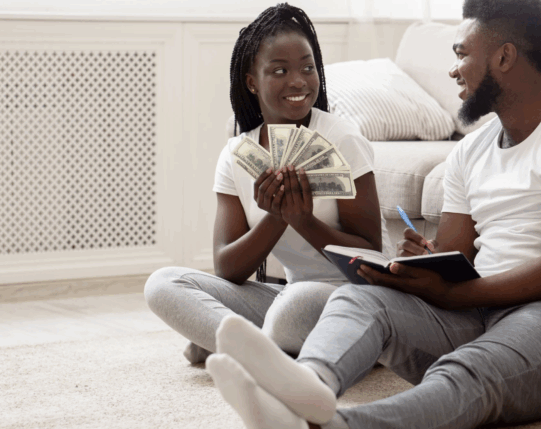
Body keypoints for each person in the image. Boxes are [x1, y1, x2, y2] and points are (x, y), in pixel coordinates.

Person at [204, 0, 541, 428]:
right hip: (480, 313)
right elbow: (455, 259)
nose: (454, 70)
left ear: (504, 56)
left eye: (462, 54)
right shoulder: (471, 151)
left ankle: (337, 425)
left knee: (468, 371)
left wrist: (456, 295)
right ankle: (308, 387)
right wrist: (424, 260)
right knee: (359, 298)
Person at [144, 3, 392, 364]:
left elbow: (370, 257)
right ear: (251, 82)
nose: (298, 81)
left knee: (292, 309)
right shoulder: (236, 154)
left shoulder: (342, 139)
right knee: (163, 283)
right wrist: (276, 217)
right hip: (288, 297)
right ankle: (261, 351)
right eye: (280, 70)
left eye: (308, 68)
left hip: (348, 298)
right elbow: (228, 269)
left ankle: (230, 342)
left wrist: (304, 220)